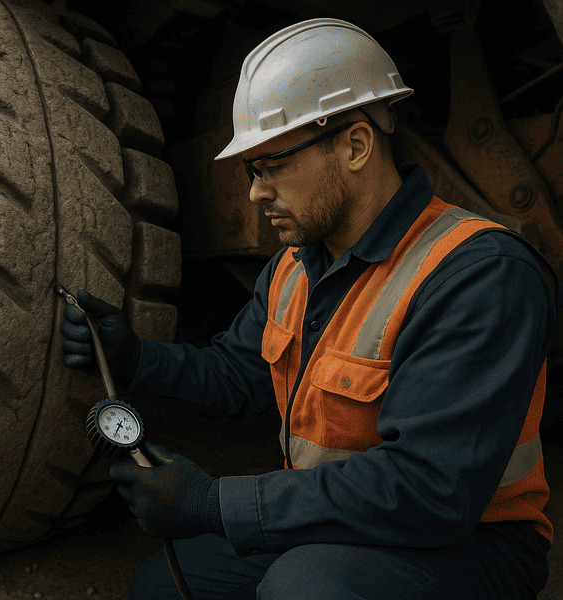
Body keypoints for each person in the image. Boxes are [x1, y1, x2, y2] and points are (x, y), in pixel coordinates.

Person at [60, 17, 556, 600]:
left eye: (273, 166)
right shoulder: (295, 267)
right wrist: (136, 357)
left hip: (473, 541)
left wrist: (213, 502)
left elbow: (431, 489)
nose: (254, 193)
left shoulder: (477, 274)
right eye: (252, 170)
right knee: (163, 587)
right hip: (341, 517)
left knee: (304, 588)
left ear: (355, 145)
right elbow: (240, 375)